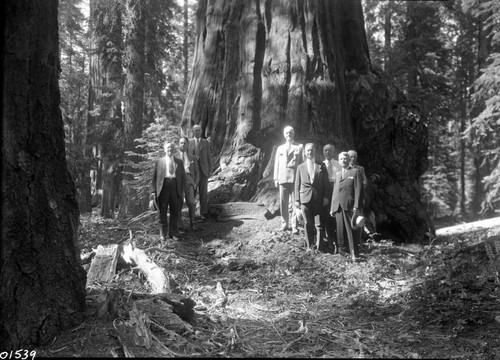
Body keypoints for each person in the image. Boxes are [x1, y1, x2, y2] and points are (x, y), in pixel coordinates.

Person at [330, 152, 363, 261]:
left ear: (349, 160)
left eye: (345, 159)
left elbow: (359, 190)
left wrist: (356, 205)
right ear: (338, 161)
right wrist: (332, 207)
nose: (343, 160)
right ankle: (342, 251)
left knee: (351, 230)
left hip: (350, 206)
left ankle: (354, 253)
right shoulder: (338, 174)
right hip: (338, 207)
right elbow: (335, 192)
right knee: (340, 229)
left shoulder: (355, 172)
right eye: (341, 159)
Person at [294, 143, 328, 250]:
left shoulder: (321, 165)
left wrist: (326, 197)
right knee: (308, 223)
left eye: (312, 150)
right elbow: (297, 184)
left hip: (318, 198)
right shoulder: (300, 167)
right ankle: (309, 247)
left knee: (319, 224)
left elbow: (326, 183)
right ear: (305, 152)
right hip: (305, 198)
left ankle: (320, 247)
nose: (310, 152)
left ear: (315, 151)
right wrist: (296, 200)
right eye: (308, 150)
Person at [152, 141, 186, 244]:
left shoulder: (179, 162)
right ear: (164, 149)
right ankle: (163, 234)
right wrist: (153, 191)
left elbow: (183, 178)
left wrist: (182, 191)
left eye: (171, 148)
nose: (169, 150)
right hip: (163, 187)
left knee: (175, 211)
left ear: (174, 149)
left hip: (175, 186)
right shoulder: (159, 162)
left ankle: (173, 233)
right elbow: (154, 178)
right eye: (167, 148)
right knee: (162, 211)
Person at [273, 126, 303, 234]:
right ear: (284, 135)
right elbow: (276, 163)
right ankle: (285, 224)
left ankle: (295, 226)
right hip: (282, 178)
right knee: (283, 202)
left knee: (296, 203)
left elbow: (302, 164)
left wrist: (301, 178)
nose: (288, 135)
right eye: (286, 133)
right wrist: (275, 177)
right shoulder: (280, 148)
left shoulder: (299, 147)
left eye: (290, 132)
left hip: (295, 178)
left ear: (294, 134)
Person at [188, 124, 213, 221]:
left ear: (201, 131)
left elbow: (209, 156)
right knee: (192, 193)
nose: (197, 132)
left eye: (199, 130)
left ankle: (203, 213)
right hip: (193, 172)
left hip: (203, 171)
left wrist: (210, 169)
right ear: (193, 131)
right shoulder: (189, 142)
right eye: (195, 130)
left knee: (203, 193)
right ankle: (192, 214)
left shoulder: (205, 142)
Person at [320, 144, 342, 253]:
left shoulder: (338, 164)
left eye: (329, 150)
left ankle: (339, 244)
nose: (327, 152)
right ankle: (329, 243)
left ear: (333, 152)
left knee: (336, 219)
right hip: (325, 194)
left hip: (336, 192)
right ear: (323, 152)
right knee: (326, 219)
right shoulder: (321, 165)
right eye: (325, 150)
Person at [176, 136, 200, 231]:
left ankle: (192, 223)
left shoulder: (192, 157)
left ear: (188, 144)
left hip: (190, 183)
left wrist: (195, 183)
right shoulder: (174, 157)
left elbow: (197, 173)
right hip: (178, 184)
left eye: (185, 143)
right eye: (181, 143)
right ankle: (180, 226)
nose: (183, 145)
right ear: (179, 144)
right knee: (179, 204)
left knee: (191, 203)